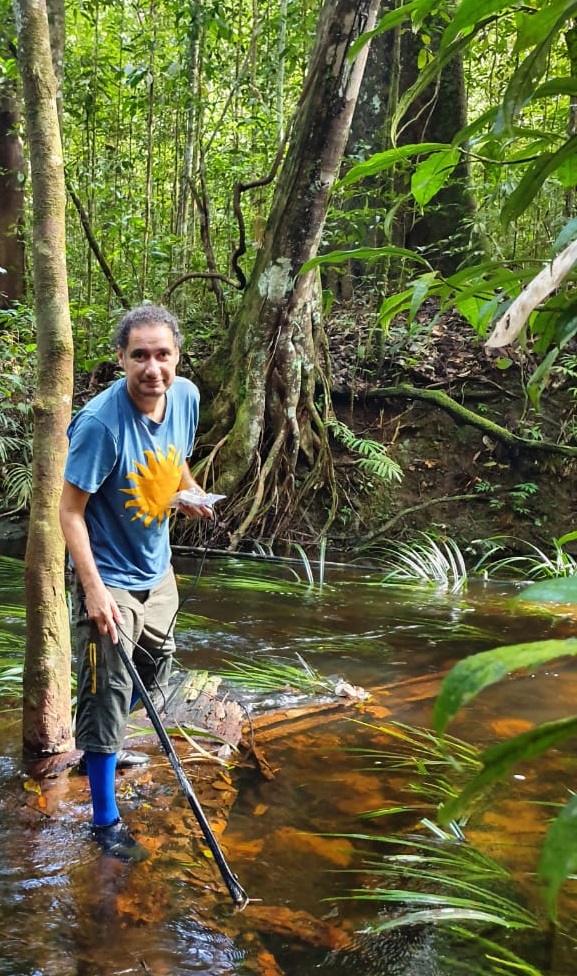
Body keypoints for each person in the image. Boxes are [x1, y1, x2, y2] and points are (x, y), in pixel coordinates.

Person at [60, 304, 212, 862]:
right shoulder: (100, 425)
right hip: (107, 574)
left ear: (177, 356)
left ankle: (100, 744)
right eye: (140, 355)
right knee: (107, 689)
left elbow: (176, 462)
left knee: (152, 670)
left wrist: (187, 493)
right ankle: (104, 822)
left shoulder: (186, 397)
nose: (153, 368)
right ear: (121, 359)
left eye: (162, 354)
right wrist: (94, 591)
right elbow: (69, 512)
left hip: (157, 568)